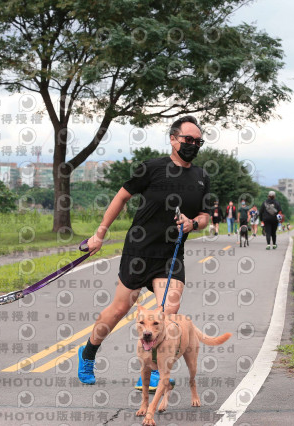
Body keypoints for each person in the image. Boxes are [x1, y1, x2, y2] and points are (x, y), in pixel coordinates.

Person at [77, 116, 211, 391]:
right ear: (173, 139)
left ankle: (149, 371)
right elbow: (121, 197)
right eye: (188, 140)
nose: (193, 146)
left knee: (167, 312)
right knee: (119, 309)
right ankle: (88, 353)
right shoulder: (151, 168)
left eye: (198, 142)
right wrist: (99, 234)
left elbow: (206, 215)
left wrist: (192, 223)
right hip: (139, 251)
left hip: (171, 256)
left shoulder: (201, 178)